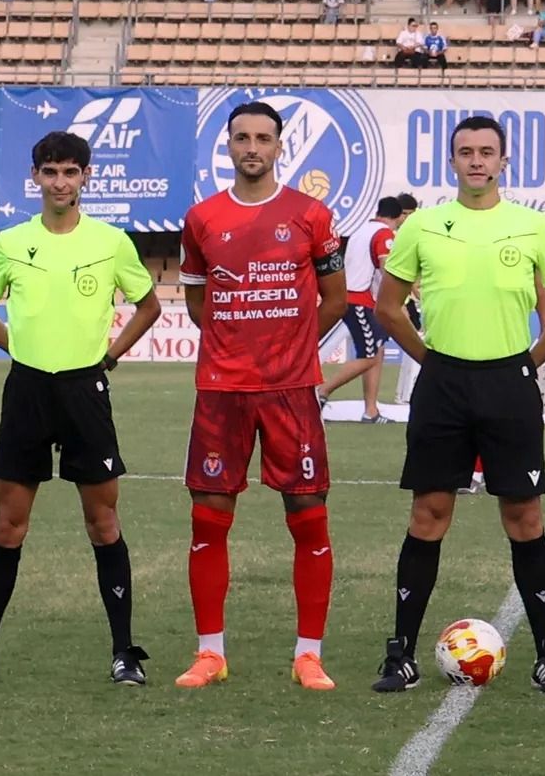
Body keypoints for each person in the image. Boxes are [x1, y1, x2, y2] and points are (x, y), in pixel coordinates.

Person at [370, 115, 545, 693]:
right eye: (465, 151)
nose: (476, 161)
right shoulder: (423, 226)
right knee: (429, 513)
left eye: (486, 152)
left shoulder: (533, 226)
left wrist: (528, 363)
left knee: (524, 516)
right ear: (452, 161)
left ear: (502, 161)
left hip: (508, 384)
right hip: (443, 384)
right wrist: (429, 358)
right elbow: (388, 307)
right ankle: (400, 655)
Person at [0, 131, 162, 686]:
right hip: (27, 392)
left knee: (103, 522)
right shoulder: (11, 242)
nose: (60, 182)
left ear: (86, 176)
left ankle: (124, 654)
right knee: (9, 525)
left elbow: (149, 305)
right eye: (50, 172)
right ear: (35, 176)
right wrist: (18, 349)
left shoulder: (111, 242)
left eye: (70, 172)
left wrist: (110, 356)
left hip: (85, 391)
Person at [174, 102, 349, 692]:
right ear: (228, 145)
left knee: (308, 515)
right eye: (242, 138)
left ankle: (308, 655)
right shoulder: (202, 218)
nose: (253, 147)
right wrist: (235, 343)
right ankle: (210, 653)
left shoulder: (310, 215)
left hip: (290, 389)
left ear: (279, 147)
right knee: (208, 518)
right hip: (222, 389)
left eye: (264, 138)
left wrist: (289, 346)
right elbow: (198, 302)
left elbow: (334, 298)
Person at [319, 197, 409, 422]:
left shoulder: (361, 230)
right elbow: (387, 270)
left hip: (354, 297)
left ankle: (371, 410)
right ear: (398, 217)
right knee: (369, 357)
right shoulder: (383, 234)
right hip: (359, 300)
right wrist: (398, 303)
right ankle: (321, 392)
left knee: (376, 351)